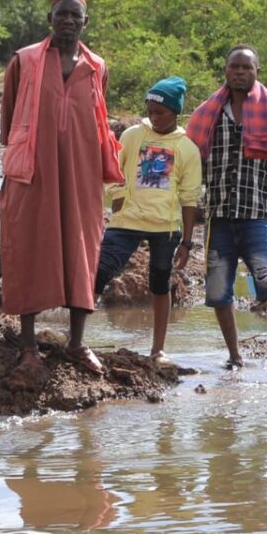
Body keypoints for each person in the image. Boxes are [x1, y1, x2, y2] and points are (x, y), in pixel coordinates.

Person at [0, 0, 122, 376]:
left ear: (85, 22)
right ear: (50, 18)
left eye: (75, 16)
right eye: (61, 14)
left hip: (82, 173)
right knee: (30, 246)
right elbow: (9, 120)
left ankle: (76, 343)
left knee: (83, 248)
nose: (68, 21)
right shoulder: (26, 59)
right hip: (34, 169)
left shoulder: (96, 65)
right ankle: (29, 344)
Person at [184, 46, 267, 381]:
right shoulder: (207, 113)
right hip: (219, 215)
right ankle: (234, 357)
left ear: (257, 71)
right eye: (234, 66)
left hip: (256, 214)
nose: (240, 72)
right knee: (217, 289)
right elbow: (192, 161)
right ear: (225, 71)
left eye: (246, 67)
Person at [95, 76, 201, 366]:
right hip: (126, 219)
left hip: (165, 227)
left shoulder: (187, 149)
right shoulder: (131, 135)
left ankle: (158, 349)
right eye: (150, 111)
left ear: (175, 112)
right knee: (99, 272)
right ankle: (75, 336)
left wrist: (187, 242)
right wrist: (116, 194)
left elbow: (190, 198)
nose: (154, 117)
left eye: (161, 113)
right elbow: (113, 168)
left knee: (160, 282)